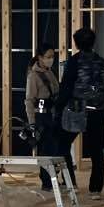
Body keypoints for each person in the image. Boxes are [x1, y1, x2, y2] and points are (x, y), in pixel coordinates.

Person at [56, 26, 104, 199]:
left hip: (76, 109)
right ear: (93, 42)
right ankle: (95, 190)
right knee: (96, 150)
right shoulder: (103, 63)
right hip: (99, 110)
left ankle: (71, 183)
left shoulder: (74, 62)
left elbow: (66, 87)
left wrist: (58, 109)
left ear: (76, 43)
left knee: (63, 144)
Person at [24, 44, 60, 191]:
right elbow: (29, 100)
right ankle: (47, 182)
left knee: (54, 149)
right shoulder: (33, 76)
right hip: (41, 117)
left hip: (52, 115)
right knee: (45, 150)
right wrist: (32, 122)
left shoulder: (51, 72)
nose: (51, 59)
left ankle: (53, 179)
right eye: (48, 57)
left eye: (53, 56)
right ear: (40, 58)